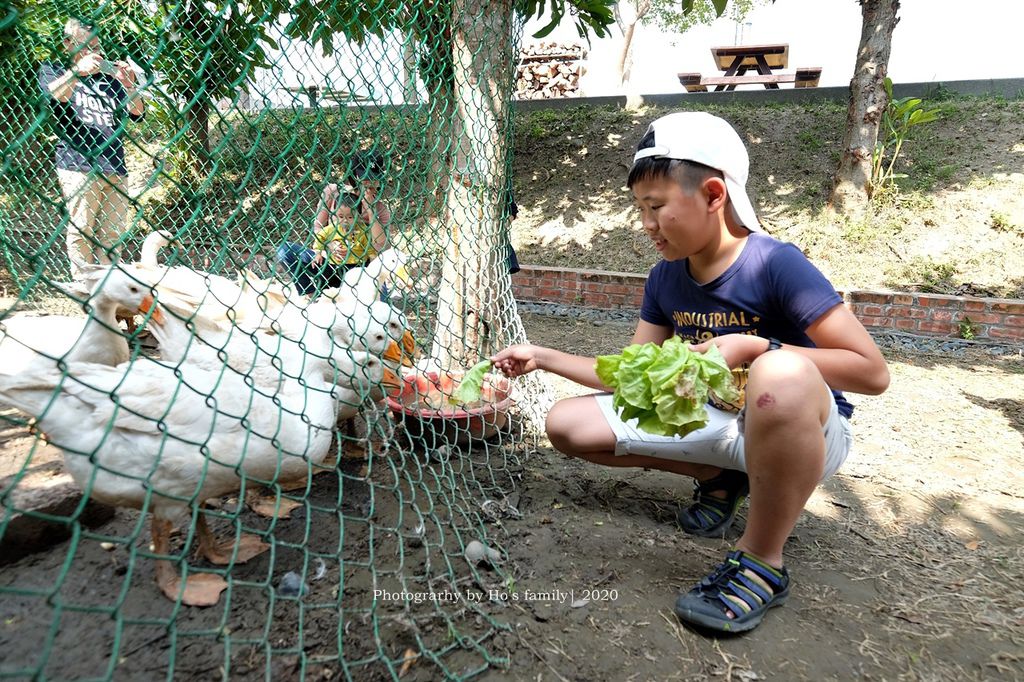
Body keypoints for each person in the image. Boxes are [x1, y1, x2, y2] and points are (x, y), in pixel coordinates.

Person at [491, 112, 889, 634]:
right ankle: (719, 479)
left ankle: (763, 559)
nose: (646, 224)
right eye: (640, 209)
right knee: (568, 424)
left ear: (714, 194)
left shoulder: (775, 263)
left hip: (803, 432)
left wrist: (757, 346)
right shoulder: (665, 278)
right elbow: (629, 375)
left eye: (656, 207)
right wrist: (543, 356)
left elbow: (871, 372)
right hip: (722, 426)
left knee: (781, 373)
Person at [38, 18, 145, 279]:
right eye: (85, 46)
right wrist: (77, 72)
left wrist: (129, 83)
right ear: (67, 45)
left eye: (96, 46)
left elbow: (137, 112)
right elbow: (55, 96)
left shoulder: (111, 81)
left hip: (114, 164)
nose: (93, 53)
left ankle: (107, 290)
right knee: (81, 229)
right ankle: (84, 287)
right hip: (77, 163)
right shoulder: (53, 69)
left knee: (112, 235)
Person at [277, 150, 390, 297]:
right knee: (285, 251)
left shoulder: (381, 209)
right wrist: (329, 246)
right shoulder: (333, 192)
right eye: (364, 178)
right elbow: (318, 226)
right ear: (354, 175)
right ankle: (312, 294)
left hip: (360, 269)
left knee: (383, 306)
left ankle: (351, 295)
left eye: (374, 178)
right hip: (330, 263)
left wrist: (370, 211)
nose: (369, 183)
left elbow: (381, 247)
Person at [276, 190, 383, 297]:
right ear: (335, 213)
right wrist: (318, 252)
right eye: (341, 216)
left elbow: (371, 251)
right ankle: (310, 293)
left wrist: (373, 269)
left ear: (358, 215)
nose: (345, 220)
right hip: (331, 267)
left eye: (350, 217)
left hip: (354, 269)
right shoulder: (333, 228)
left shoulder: (363, 231)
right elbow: (320, 236)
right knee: (285, 249)